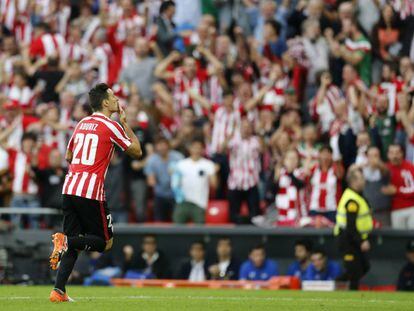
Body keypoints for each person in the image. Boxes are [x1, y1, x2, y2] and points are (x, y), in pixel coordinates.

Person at [48, 83, 142, 302]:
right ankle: (66, 242)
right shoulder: (111, 125)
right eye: (113, 96)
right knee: (104, 243)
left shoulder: (82, 123)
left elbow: (69, 156)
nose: (117, 100)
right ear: (105, 102)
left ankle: (58, 290)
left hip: (69, 188)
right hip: (91, 192)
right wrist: (126, 124)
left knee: (75, 239)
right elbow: (137, 151)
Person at [334, 166, 373, 290]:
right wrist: (361, 241)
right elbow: (350, 226)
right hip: (348, 239)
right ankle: (348, 293)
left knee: (364, 266)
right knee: (354, 271)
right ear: (354, 182)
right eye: (361, 178)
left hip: (353, 239)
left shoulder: (357, 195)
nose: (364, 181)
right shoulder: (352, 200)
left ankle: (337, 282)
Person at [172, 139, 217, 224]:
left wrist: (215, 173)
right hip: (183, 202)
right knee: (177, 231)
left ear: (203, 150)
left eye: (199, 148)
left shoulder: (209, 164)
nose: (196, 150)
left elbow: (214, 185)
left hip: (200, 203)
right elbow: (174, 184)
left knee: (200, 232)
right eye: (194, 148)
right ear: (190, 149)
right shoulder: (181, 164)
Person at [145, 137, 183, 222]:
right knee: (159, 221)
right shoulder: (152, 160)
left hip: (176, 195)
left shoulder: (178, 157)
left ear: (168, 146)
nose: (162, 147)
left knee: (177, 221)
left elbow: (185, 175)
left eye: (164, 145)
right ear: (156, 147)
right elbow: (150, 181)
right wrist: (153, 180)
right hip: (160, 194)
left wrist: (176, 174)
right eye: (159, 145)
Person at [384, 144, 414, 229]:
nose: (395, 156)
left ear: (402, 153)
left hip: (412, 207)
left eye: (397, 152)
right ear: (388, 155)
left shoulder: (410, 168)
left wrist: (397, 191)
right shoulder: (385, 169)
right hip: (395, 210)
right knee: (399, 239)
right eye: (392, 153)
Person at [362, 146, 391, 227]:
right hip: (367, 213)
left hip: (383, 212)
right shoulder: (362, 170)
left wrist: (378, 163)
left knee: (386, 236)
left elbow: (386, 171)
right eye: (370, 156)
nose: (373, 159)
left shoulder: (384, 168)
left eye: (376, 156)